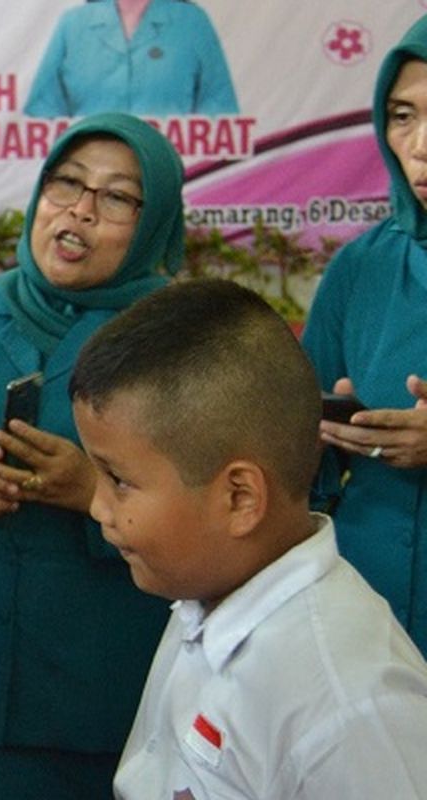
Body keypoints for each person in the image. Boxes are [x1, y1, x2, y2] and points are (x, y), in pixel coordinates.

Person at [0, 111, 183, 798]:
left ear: (154, 220)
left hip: (113, 691)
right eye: (65, 184)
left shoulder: (180, 342)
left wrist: (93, 493)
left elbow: (220, 504)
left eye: (115, 197)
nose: (79, 210)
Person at [69, 278, 427, 798]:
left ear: (240, 498)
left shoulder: (350, 707)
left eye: (119, 480)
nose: (99, 506)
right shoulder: (205, 594)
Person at [301, 14, 427, 658]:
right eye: (402, 115)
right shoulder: (362, 266)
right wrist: (325, 430)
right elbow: (298, 455)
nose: (420, 144)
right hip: (368, 601)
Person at [23, 0, 238, 118]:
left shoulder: (192, 21)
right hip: (90, 173)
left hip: (171, 172)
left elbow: (219, 106)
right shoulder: (73, 23)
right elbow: (42, 109)